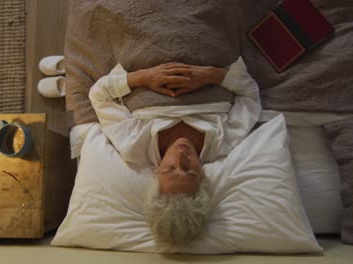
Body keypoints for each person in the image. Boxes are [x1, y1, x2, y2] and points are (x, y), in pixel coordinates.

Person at [88, 57, 261, 246]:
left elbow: (99, 95)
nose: (181, 155)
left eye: (171, 168)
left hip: (147, 59)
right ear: (203, 176)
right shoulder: (222, 142)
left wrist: (143, 77)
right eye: (189, 169)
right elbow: (249, 94)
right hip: (210, 58)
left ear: (157, 171)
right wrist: (211, 75)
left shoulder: (134, 144)